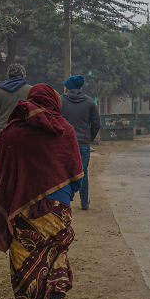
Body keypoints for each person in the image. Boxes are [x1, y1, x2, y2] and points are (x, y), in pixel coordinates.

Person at [0, 84, 83, 299]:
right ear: (54, 102)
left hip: (22, 210)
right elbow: (76, 175)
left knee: (25, 266)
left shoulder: (12, 133)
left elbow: (3, 175)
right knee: (57, 253)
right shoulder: (65, 131)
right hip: (57, 209)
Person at [61, 75, 101, 211]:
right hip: (83, 143)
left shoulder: (60, 101)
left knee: (64, 172)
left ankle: (65, 202)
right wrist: (89, 137)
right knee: (82, 172)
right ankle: (84, 202)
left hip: (65, 143)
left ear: (68, 87)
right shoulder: (90, 102)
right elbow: (96, 123)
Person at [0, 63, 32, 136]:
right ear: (23, 75)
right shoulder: (30, 90)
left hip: (3, 132)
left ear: (8, 75)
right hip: (24, 133)